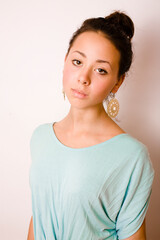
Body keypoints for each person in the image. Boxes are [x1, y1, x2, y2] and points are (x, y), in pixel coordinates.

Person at [27, 11, 154, 240]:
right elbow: (38, 218)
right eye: (77, 61)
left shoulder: (131, 156)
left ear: (117, 82)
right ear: (65, 60)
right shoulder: (41, 137)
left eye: (100, 70)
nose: (83, 77)